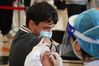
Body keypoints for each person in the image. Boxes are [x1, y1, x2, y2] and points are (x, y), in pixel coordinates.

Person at [9, 2, 63, 66]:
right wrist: (51, 45)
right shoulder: (37, 44)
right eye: (46, 28)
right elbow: (57, 50)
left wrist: (51, 44)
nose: (50, 32)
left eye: (52, 28)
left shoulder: (21, 33)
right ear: (31, 24)